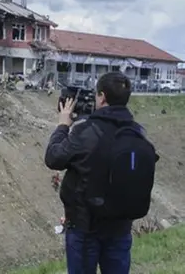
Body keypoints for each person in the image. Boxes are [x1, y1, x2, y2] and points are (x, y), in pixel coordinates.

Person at [45, 72, 157, 274]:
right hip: (121, 227)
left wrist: (63, 125)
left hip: (85, 227)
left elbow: (53, 158)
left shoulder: (86, 132)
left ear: (102, 97)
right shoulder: (137, 133)